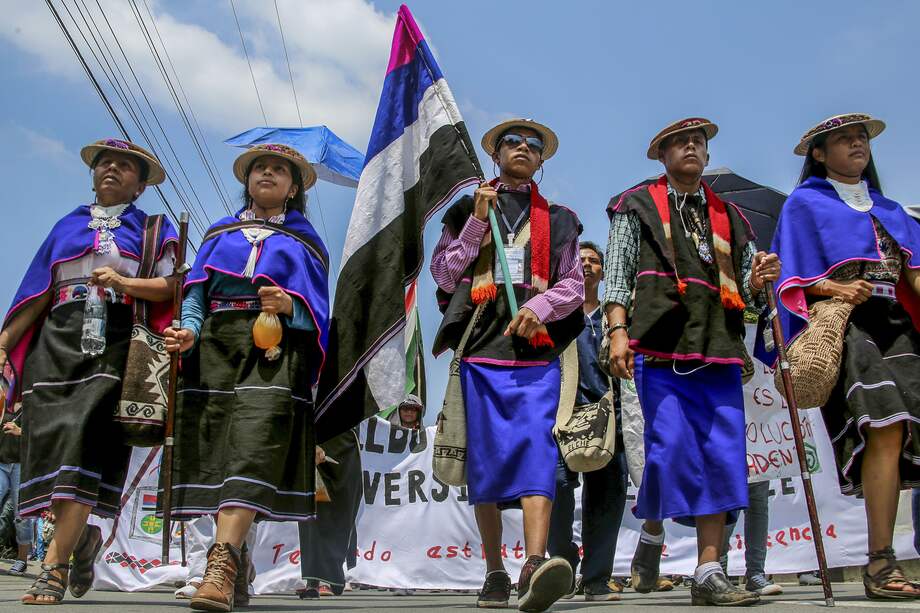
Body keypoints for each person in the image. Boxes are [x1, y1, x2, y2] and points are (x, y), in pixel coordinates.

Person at [604, 117, 780, 606]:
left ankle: (708, 570)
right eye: (680, 142)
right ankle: (653, 529)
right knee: (671, 451)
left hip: (718, 348)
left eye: (698, 142)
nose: (691, 147)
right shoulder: (635, 205)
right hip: (660, 348)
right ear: (661, 156)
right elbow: (617, 275)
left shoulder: (731, 217)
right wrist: (617, 331)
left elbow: (751, 297)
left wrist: (760, 278)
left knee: (722, 458)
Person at [0, 138, 177, 604]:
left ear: (140, 186)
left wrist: (124, 281)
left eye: (125, 166)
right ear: (93, 174)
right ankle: (82, 540)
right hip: (56, 340)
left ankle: (53, 567)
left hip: (114, 343)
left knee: (82, 443)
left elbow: (172, 286)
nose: (112, 169)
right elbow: (37, 290)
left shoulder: (153, 231)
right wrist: (4, 344)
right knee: (51, 452)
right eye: (105, 163)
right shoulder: (67, 225)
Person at [162, 143, 330, 612]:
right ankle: (238, 564)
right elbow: (196, 294)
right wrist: (189, 332)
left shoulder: (305, 241)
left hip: (273, 353)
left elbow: (319, 312)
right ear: (248, 180)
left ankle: (219, 565)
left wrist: (291, 306)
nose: (268, 174)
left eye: (279, 170)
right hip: (215, 351)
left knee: (253, 450)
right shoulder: (220, 232)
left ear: (293, 188)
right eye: (260, 168)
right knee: (218, 455)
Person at [761, 113, 920, 599]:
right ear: (818, 153)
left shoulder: (891, 208)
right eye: (845, 139)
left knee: (908, 429)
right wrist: (835, 286)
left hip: (899, 324)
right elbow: (790, 278)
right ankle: (880, 562)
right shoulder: (804, 204)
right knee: (885, 426)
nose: (857, 145)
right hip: (847, 323)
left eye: (862, 138)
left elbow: (913, 272)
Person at [431, 118, 584, 612]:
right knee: (487, 462)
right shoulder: (467, 209)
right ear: (495, 155)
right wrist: (477, 221)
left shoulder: (560, 219)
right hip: (481, 351)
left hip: (537, 355)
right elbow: (445, 274)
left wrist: (539, 306)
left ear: (541, 159)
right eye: (512, 142)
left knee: (539, 451)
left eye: (532, 145)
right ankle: (494, 570)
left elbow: (574, 286)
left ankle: (534, 564)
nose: (523, 148)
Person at [547, 241, 627, 602]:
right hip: (562, 418)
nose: (588, 265)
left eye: (594, 261)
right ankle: (563, 563)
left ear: (604, 272)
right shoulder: (556, 314)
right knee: (556, 488)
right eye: (581, 260)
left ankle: (596, 578)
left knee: (607, 496)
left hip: (608, 419)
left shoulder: (615, 320)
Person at [721, 482, 782, 595]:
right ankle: (720, 574)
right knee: (728, 505)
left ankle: (756, 574)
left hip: (757, 470)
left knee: (758, 504)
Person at [0, 391, 34, 577]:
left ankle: (22, 560)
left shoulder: (33, 404)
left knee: (21, 515)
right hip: (1, 462)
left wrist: (21, 431)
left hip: (21, 465)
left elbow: (44, 433)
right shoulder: (3, 402)